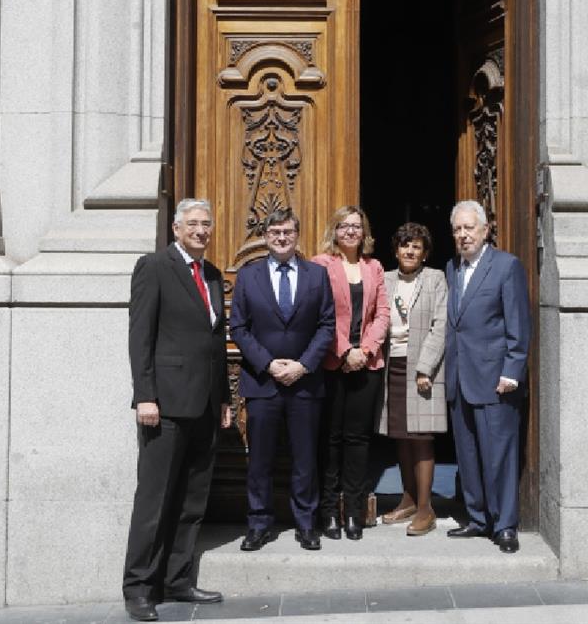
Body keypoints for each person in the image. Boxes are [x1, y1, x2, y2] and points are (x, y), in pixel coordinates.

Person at [122, 199, 232, 622]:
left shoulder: (213, 274)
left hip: (204, 405)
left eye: (207, 224)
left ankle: (178, 579)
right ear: (176, 228)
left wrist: (222, 397)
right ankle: (139, 588)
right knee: (155, 500)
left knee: (191, 499)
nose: (201, 231)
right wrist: (144, 395)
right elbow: (140, 337)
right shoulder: (154, 267)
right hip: (164, 405)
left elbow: (215, 345)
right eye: (194, 224)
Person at [230, 208, 336, 552]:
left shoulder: (317, 275)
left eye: (287, 231)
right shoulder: (249, 276)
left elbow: (326, 326)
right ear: (265, 235)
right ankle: (259, 524)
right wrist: (269, 364)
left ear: (297, 234)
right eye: (274, 231)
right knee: (259, 460)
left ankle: (306, 524)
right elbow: (239, 328)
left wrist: (303, 366)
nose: (281, 237)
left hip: (305, 383)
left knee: (305, 460)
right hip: (262, 382)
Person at [444, 199, 531, 553]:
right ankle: (478, 519)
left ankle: (505, 525)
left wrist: (512, 370)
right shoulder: (452, 268)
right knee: (468, 455)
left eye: (469, 228)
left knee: (500, 456)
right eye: (458, 230)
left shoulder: (506, 266)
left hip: (495, 380)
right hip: (460, 378)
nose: (463, 235)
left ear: (485, 230)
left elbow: (518, 325)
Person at [311, 206, 391, 540]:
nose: (350, 231)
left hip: (366, 365)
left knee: (358, 440)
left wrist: (366, 350)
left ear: (365, 232)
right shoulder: (320, 265)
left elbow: (383, 313)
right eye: (344, 226)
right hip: (332, 363)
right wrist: (344, 350)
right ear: (334, 230)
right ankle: (329, 512)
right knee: (330, 439)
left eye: (356, 226)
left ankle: (354, 514)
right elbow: (320, 312)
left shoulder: (374, 267)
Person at [378, 222, 448, 536]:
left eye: (416, 246)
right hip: (392, 364)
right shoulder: (385, 278)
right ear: (396, 250)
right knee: (401, 435)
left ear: (424, 253)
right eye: (405, 245)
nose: (409, 251)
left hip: (421, 368)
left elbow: (441, 324)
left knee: (422, 437)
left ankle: (425, 507)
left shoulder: (435, 279)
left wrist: (425, 368)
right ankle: (407, 499)